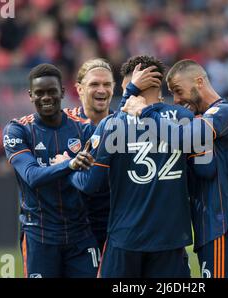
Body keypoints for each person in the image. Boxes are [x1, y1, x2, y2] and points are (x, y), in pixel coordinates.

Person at [122, 59, 228, 278]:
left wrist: (144, 111)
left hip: (225, 229)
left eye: (178, 90)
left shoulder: (224, 113)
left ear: (199, 81)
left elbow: (185, 138)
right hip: (212, 230)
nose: (176, 99)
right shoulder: (203, 118)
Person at [63, 55, 194, 278]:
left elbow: (90, 184)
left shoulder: (113, 124)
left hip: (126, 238)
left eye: (124, 88)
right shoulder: (185, 117)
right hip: (171, 239)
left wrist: (68, 168)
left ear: (133, 84)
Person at [2, 63, 97, 278]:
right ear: (30, 95)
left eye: (51, 91)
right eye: (40, 93)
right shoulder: (18, 129)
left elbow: (94, 180)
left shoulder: (84, 128)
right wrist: (70, 164)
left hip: (80, 235)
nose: (46, 97)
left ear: (62, 92)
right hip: (39, 235)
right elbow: (31, 176)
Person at [63, 58, 161, 253]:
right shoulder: (63, 125)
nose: (101, 89)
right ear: (79, 89)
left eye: (107, 84)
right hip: (74, 230)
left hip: (117, 228)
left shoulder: (127, 123)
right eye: (94, 84)